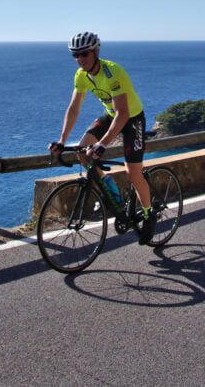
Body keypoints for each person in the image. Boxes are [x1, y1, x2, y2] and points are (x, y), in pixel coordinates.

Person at [49, 31, 157, 245]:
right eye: (75, 55)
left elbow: (123, 113)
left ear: (96, 51)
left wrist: (102, 144)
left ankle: (148, 213)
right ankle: (113, 194)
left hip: (132, 119)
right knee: (82, 151)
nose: (81, 59)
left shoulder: (113, 72)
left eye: (85, 54)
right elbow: (74, 108)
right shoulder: (81, 75)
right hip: (110, 116)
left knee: (134, 175)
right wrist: (62, 140)